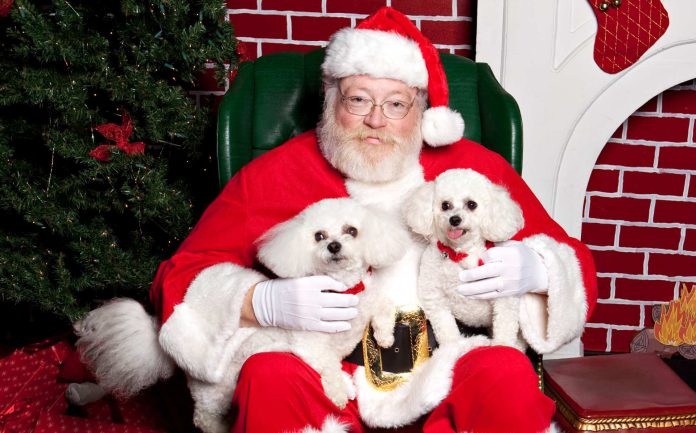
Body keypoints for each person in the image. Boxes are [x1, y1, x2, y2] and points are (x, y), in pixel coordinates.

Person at [150, 7, 597, 433]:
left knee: (503, 369)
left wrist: (539, 270)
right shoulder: (273, 174)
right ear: (331, 101)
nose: (376, 121)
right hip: (326, 373)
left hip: (447, 363)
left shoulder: (473, 169)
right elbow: (180, 275)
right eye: (358, 100)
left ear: (420, 109)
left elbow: (574, 260)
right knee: (268, 372)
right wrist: (258, 302)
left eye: (396, 104)